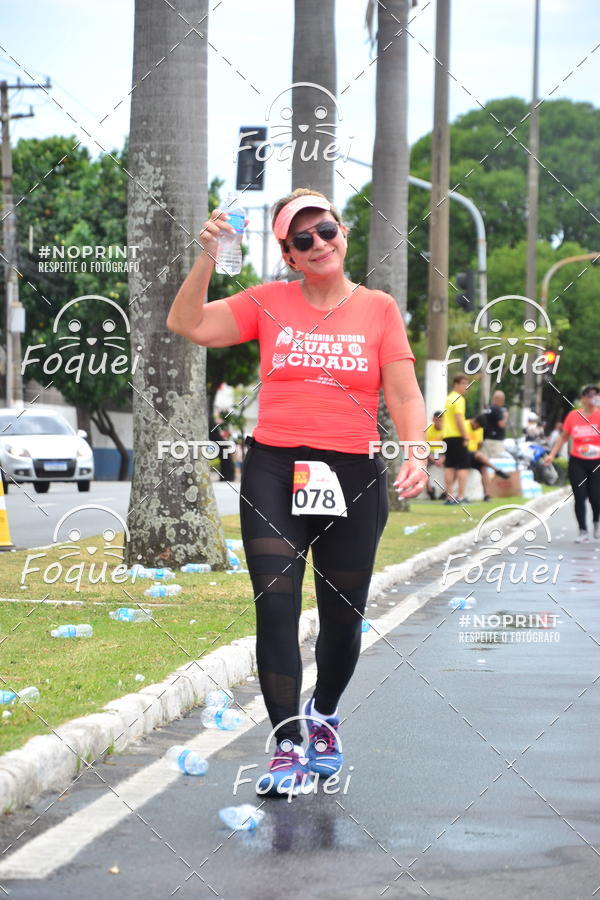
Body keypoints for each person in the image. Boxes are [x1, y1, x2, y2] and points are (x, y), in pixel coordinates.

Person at [167, 188, 427, 797]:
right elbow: (187, 323)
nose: (318, 244)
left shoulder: (379, 308)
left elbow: (404, 393)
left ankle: (324, 714)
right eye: (302, 239)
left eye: (325, 231)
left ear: (343, 233)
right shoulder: (267, 301)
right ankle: (286, 743)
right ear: (288, 255)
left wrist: (415, 450)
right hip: (276, 467)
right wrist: (208, 256)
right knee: (275, 605)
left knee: (343, 616)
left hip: (353, 471)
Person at [544, 384, 600, 542]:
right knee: (579, 496)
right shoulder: (573, 416)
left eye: (596, 395)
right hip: (577, 461)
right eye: (589, 395)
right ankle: (583, 531)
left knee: (596, 497)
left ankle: (596, 522)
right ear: (583, 398)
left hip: (596, 462)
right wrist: (552, 455)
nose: (593, 398)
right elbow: (563, 437)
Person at [466, 415, 510, 501]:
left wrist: (480, 444)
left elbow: (478, 445)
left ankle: (487, 494)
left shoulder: (480, 429)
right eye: (477, 426)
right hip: (463, 453)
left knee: (483, 468)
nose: (477, 429)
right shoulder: (464, 425)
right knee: (478, 455)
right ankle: (497, 470)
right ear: (475, 422)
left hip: (473, 455)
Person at [442, 373, 470, 503]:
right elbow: (459, 420)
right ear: (456, 384)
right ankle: (461, 496)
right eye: (463, 384)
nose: (466, 386)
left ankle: (449, 497)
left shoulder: (449, 398)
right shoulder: (459, 399)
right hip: (458, 436)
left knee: (449, 466)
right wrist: (465, 436)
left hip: (447, 436)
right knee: (463, 466)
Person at [425, 411, 445, 499]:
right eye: (437, 420)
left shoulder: (447, 431)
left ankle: (446, 492)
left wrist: (443, 459)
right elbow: (424, 447)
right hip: (430, 454)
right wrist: (432, 458)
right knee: (422, 467)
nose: (438, 422)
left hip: (444, 454)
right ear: (433, 420)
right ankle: (430, 490)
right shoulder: (428, 430)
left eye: (441, 420)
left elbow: (451, 448)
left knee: (454, 467)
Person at [482, 390, 508, 458]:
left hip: (486, 439)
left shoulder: (487, 409)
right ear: (501, 400)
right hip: (495, 441)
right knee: (496, 460)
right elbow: (501, 424)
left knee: (486, 460)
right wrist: (505, 417)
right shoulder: (497, 409)